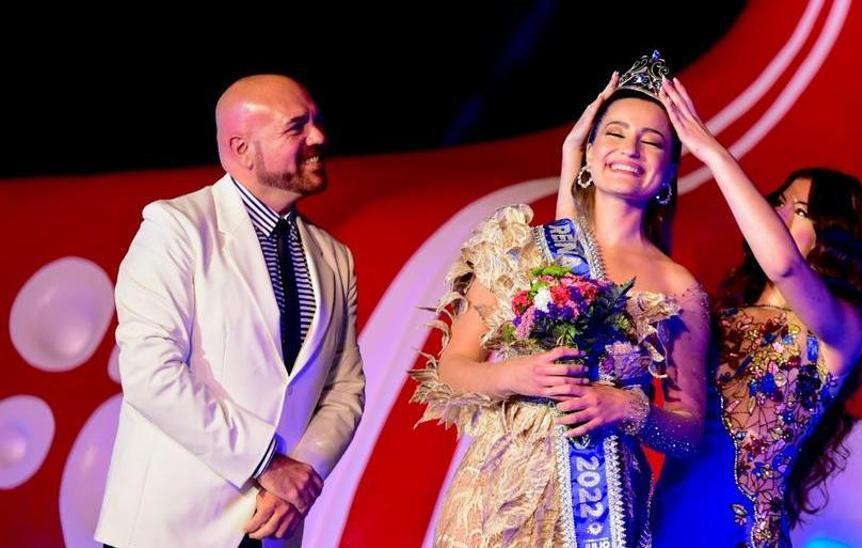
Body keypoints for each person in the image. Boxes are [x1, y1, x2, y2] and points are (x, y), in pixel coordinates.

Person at [411, 51, 710, 547]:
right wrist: (514, 374)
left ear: (668, 174)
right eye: (614, 134)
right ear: (589, 154)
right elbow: (452, 368)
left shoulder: (677, 288)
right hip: (496, 498)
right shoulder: (522, 248)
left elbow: (689, 433)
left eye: (651, 141)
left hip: (606, 511)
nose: (629, 149)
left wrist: (629, 409)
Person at [96, 74, 366, 548]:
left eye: (316, 122)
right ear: (243, 149)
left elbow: (345, 387)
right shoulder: (175, 229)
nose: (319, 138)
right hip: (171, 531)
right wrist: (268, 465)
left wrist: (302, 477)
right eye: (296, 127)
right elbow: (150, 374)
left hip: (274, 528)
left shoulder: (334, 256)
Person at [645, 79, 862, 547]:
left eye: (800, 210)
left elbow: (786, 263)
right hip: (667, 515)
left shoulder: (841, 327)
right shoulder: (721, 314)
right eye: (779, 202)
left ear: (832, 233)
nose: (780, 214)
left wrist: (712, 152)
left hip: (738, 532)